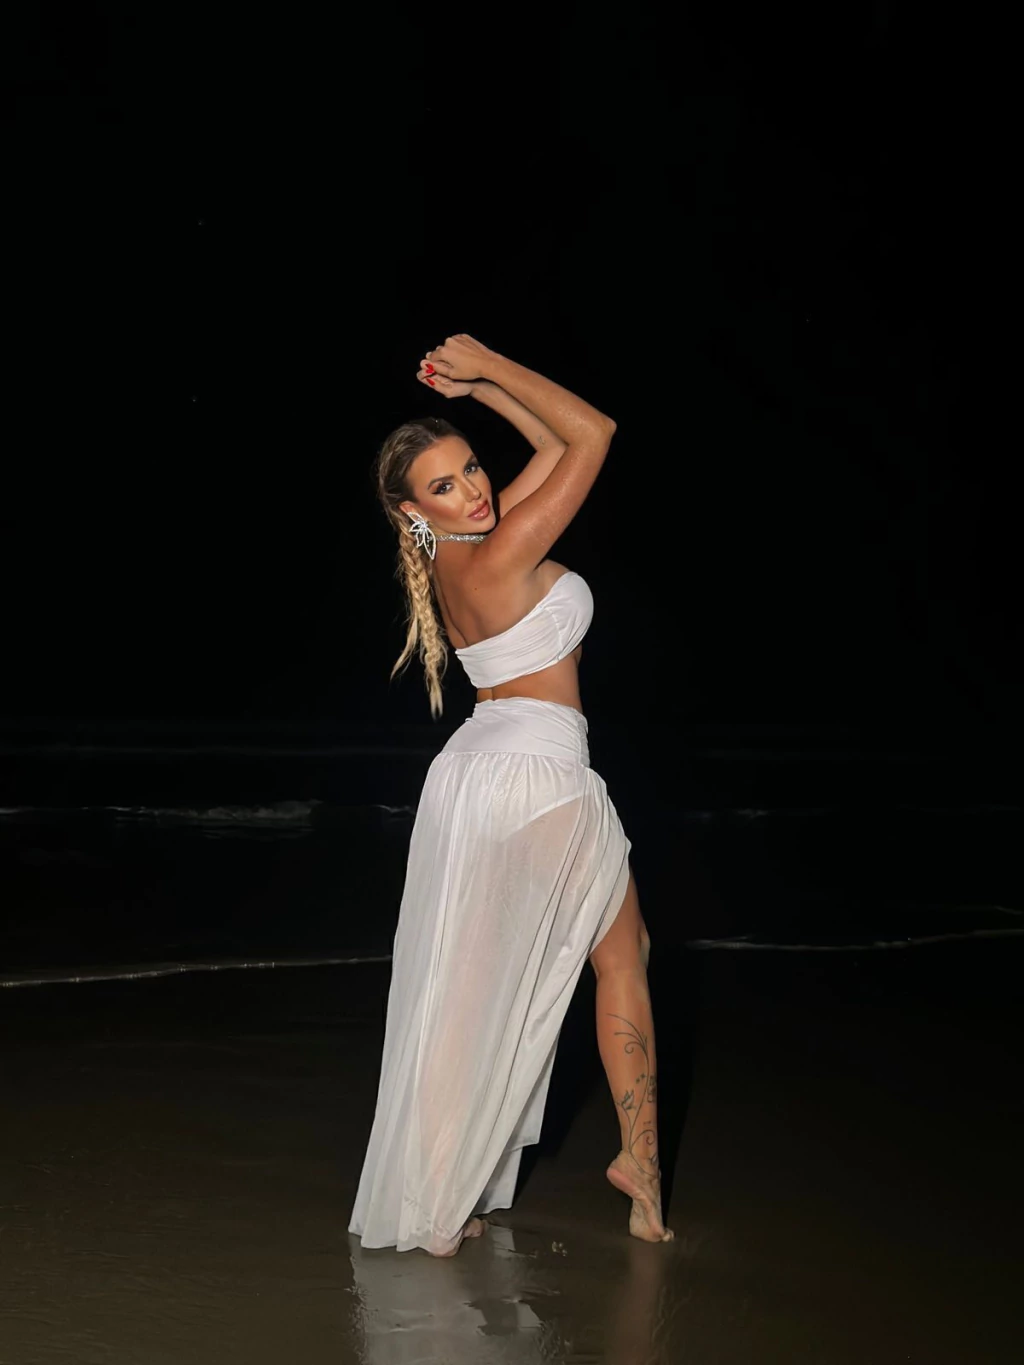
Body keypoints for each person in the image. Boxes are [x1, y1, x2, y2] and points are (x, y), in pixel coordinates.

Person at [348, 334, 673, 1255]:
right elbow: (594, 433)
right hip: (538, 772)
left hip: (479, 772)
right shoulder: (497, 555)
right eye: (443, 486)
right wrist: (488, 360)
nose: (473, 490)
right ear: (411, 510)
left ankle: (445, 1194)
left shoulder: (466, 552)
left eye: (471, 468)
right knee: (623, 956)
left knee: (476, 984)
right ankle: (641, 1172)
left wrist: (481, 390)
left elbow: (554, 448)